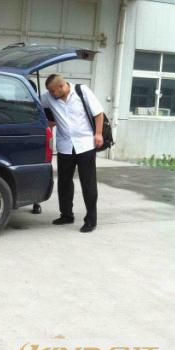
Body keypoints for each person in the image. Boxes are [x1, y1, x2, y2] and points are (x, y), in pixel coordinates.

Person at [41, 74, 104, 233]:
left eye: (53, 91)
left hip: (85, 145)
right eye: (49, 91)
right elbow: (34, 104)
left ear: (61, 87)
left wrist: (98, 134)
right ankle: (66, 215)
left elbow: (98, 113)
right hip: (65, 147)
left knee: (88, 184)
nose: (50, 94)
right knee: (64, 183)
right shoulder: (49, 97)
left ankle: (91, 220)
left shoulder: (82, 91)